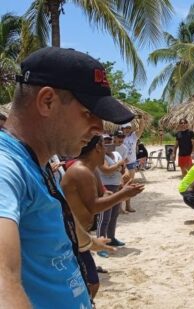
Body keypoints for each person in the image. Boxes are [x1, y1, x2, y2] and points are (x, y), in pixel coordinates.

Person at [0, 47, 135, 307]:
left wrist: (89, 242)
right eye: (88, 114)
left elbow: (57, 226)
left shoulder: (37, 163)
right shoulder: (6, 167)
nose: (98, 129)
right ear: (47, 101)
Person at [62, 135, 144, 298]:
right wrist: (122, 195)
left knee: (90, 283)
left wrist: (117, 191)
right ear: (98, 147)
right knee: (90, 284)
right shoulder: (81, 170)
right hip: (71, 235)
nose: (108, 149)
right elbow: (93, 206)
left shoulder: (89, 169)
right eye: (105, 146)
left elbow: (100, 194)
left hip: (79, 235)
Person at [96, 134, 126, 259]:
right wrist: (119, 165)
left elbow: (123, 169)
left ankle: (111, 237)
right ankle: (100, 245)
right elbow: (105, 170)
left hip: (116, 185)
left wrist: (122, 170)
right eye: (105, 141)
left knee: (114, 215)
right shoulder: (99, 157)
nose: (108, 143)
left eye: (110, 140)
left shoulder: (117, 154)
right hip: (105, 188)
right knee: (104, 217)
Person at [121, 122, 145, 213]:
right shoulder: (119, 137)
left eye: (128, 127)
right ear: (122, 129)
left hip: (131, 163)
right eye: (125, 128)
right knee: (120, 185)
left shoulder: (133, 136)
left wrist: (141, 120)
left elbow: (141, 129)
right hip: (121, 164)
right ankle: (120, 207)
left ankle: (128, 205)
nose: (126, 129)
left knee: (130, 184)